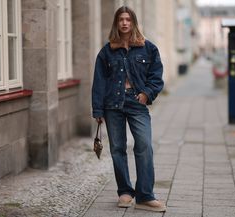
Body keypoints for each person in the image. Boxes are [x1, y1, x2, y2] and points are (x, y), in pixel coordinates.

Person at [91, 6, 166, 212]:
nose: (124, 23)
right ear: (116, 23)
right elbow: (99, 81)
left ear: (133, 23)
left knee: (144, 146)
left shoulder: (148, 48)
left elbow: (156, 77)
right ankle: (124, 191)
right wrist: (98, 110)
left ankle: (144, 196)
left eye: (128, 20)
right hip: (112, 105)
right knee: (117, 148)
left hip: (136, 102)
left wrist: (146, 94)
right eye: (121, 20)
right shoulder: (107, 51)